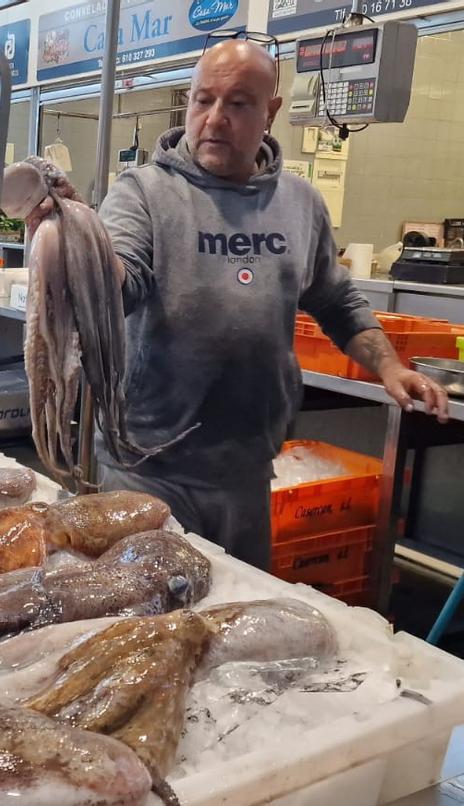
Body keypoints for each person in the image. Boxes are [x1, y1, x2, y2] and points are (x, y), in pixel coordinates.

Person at [49, 40, 449, 570]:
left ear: (271, 111)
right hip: (147, 464)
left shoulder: (300, 202)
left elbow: (334, 296)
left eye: (237, 104)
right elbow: (122, 286)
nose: (214, 119)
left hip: (247, 467)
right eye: (202, 100)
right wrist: (83, 244)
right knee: (143, 622)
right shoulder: (142, 192)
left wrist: (390, 365)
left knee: (234, 625)